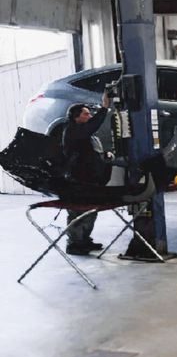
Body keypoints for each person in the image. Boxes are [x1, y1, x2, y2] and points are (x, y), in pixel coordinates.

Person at [62, 93, 112, 255]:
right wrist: (104, 108)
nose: (89, 116)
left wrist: (104, 156)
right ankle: (74, 244)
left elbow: (90, 153)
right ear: (75, 117)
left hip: (90, 179)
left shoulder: (85, 134)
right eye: (86, 114)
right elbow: (92, 125)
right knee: (78, 211)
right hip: (78, 180)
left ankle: (84, 240)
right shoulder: (72, 130)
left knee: (90, 211)